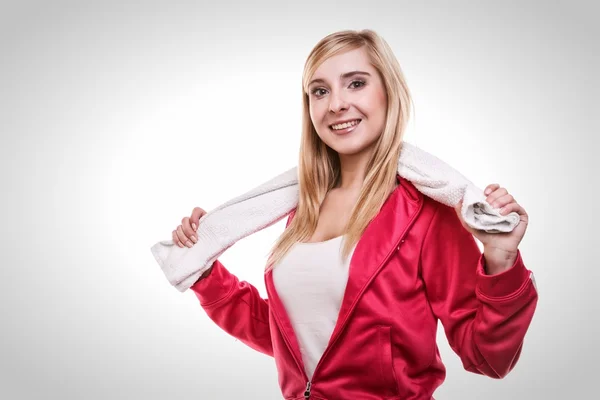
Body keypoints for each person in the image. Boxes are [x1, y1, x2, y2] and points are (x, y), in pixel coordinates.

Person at [171, 30, 538, 400]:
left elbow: (489, 358)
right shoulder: (302, 207)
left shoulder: (428, 212)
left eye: (356, 83)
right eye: (320, 91)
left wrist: (501, 259)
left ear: (388, 93)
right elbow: (286, 335)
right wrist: (205, 273)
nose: (336, 104)